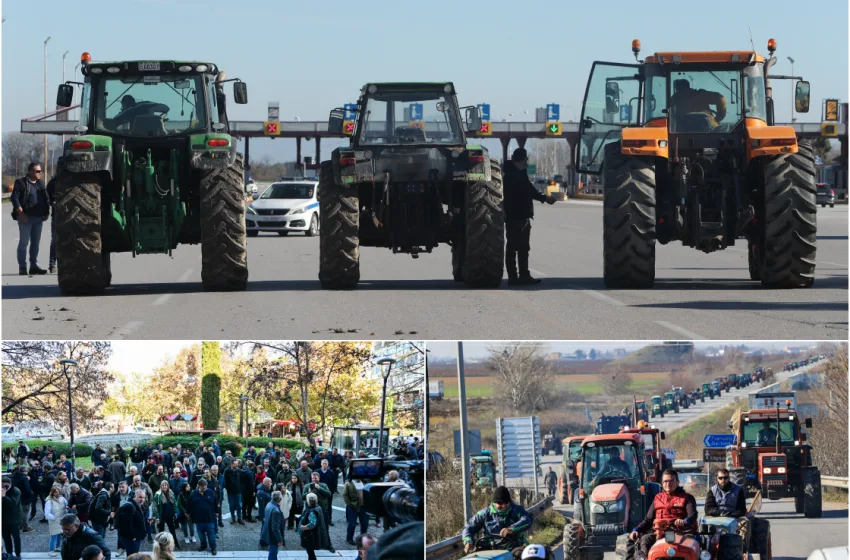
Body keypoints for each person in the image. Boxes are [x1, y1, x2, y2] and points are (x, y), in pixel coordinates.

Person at [501, 148, 556, 286]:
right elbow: (528, 189)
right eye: (526, 159)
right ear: (522, 159)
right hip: (514, 216)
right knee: (513, 247)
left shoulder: (519, 172)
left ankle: (524, 275)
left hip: (524, 215)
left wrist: (544, 198)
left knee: (524, 247)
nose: (527, 162)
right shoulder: (509, 174)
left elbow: (528, 189)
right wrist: (544, 198)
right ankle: (513, 277)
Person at [629, 469, 698, 560]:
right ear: (662, 483)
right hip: (659, 533)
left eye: (671, 481)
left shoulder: (687, 498)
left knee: (693, 544)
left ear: (677, 482)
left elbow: (692, 515)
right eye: (665, 481)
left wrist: (684, 521)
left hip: (682, 533)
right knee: (645, 539)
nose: (668, 484)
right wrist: (636, 529)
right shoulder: (657, 498)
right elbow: (648, 520)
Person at [461, 486, 533, 556]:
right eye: (500, 503)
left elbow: (527, 520)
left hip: (513, 548)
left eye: (506, 502)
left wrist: (512, 529)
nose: (504, 505)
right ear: (494, 502)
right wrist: (468, 541)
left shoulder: (517, 510)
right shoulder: (484, 514)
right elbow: (469, 527)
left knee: (523, 555)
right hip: (489, 549)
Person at [11, 162, 50, 275]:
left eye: (40, 171)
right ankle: (22, 267)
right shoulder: (21, 183)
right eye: (37, 171)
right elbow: (15, 199)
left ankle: (33, 266)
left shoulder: (41, 184)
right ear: (30, 171)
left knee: (35, 244)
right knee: (24, 243)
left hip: (38, 219)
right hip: (26, 218)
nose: (40, 173)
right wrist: (22, 214)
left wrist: (46, 212)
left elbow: (45, 198)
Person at [704, 468, 748, 538]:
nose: (723, 480)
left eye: (725, 478)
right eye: (720, 478)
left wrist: (730, 514)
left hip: (733, 518)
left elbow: (742, 509)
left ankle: (743, 546)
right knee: (703, 525)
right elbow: (708, 508)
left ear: (729, 478)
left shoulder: (738, 490)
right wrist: (719, 513)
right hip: (716, 517)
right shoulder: (712, 491)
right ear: (717, 479)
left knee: (745, 528)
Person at [188, 479, 217, 555]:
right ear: (198, 486)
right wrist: (188, 513)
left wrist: (217, 512)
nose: (204, 487)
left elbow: (215, 502)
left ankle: (213, 547)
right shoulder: (193, 493)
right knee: (201, 534)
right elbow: (189, 504)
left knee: (211, 535)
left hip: (209, 518)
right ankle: (203, 545)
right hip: (198, 519)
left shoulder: (210, 492)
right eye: (202, 486)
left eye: (205, 486)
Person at [299, 493, 331, 560]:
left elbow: (312, 523)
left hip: (311, 535)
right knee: (311, 553)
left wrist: (304, 527)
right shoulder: (317, 507)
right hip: (314, 534)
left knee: (310, 553)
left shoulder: (312, 511)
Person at [117, 490, 148, 557]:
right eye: (140, 497)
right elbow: (126, 524)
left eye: (143, 497)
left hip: (136, 537)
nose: (142, 499)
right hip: (131, 538)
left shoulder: (139, 505)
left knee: (134, 556)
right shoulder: (130, 507)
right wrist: (132, 536)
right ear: (135, 496)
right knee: (132, 556)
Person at [151, 481, 180, 550]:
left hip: (170, 515)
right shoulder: (157, 494)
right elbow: (154, 507)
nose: (164, 487)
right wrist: (157, 517)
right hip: (161, 516)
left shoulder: (171, 493)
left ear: (167, 486)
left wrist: (175, 512)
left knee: (172, 530)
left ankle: (175, 543)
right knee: (161, 532)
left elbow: (175, 503)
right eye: (163, 485)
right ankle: (159, 546)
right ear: (161, 486)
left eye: (165, 485)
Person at [261, 491, 289, 560]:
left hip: (268, 532)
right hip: (273, 536)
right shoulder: (276, 510)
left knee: (272, 552)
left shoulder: (269, 504)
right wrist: (280, 539)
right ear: (280, 499)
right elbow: (275, 528)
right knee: (273, 553)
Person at [343, 475, 369, 546]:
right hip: (353, 507)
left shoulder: (364, 483)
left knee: (364, 524)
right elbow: (345, 495)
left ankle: (362, 538)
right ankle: (349, 538)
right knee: (352, 524)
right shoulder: (349, 483)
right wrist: (350, 504)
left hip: (363, 507)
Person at [44, 485, 68, 555]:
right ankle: (51, 550)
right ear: (52, 493)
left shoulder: (62, 498)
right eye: (55, 492)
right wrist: (53, 518)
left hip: (61, 519)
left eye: (58, 492)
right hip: (54, 521)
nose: (57, 493)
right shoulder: (49, 501)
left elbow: (66, 506)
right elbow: (47, 512)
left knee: (59, 534)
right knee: (53, 535)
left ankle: (57, 547)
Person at [2, 478, 23, 560]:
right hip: (3, 520)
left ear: (9, 484)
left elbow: (13, 503)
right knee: (6, 539)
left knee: (16, 538)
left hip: (14, 520)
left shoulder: (16, 491)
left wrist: (4, 496)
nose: (3, 488)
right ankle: (9, 554)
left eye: (4, 486)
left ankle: (18, 554)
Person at [11, 465, 34, 533]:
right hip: (25, 497)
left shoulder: (14, 476)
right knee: (25, 513)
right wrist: (31, 493)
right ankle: (25, 527)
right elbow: (27, 489)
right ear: (25, 471)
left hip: (17, 497)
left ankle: (20, 526)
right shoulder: (24, 478)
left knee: (19, 512)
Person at [317, 459, 337, 526]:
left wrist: (333, 490)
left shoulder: (331, 472)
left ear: (328, 464)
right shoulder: (317, 472)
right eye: (323, 463)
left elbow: (334, 481)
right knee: (319, 506)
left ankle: (329, 519)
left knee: (329, 506)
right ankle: (319, 520)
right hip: (319, 492)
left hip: (328, 492)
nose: (324, 465)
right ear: (321, 464)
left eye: (326, 463)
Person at [224, 459, 243, 525]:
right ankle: (233, 518)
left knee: (239, 505)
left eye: (237, 464)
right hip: (230, 492)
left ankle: (239, 518)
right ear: (231, 464)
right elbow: (225, 481)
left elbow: (242, 480)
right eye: (235, 464)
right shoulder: (227, 471)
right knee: (231, 505)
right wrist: (228, 489)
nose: (237, 465)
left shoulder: (239, 470)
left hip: (238, 491)